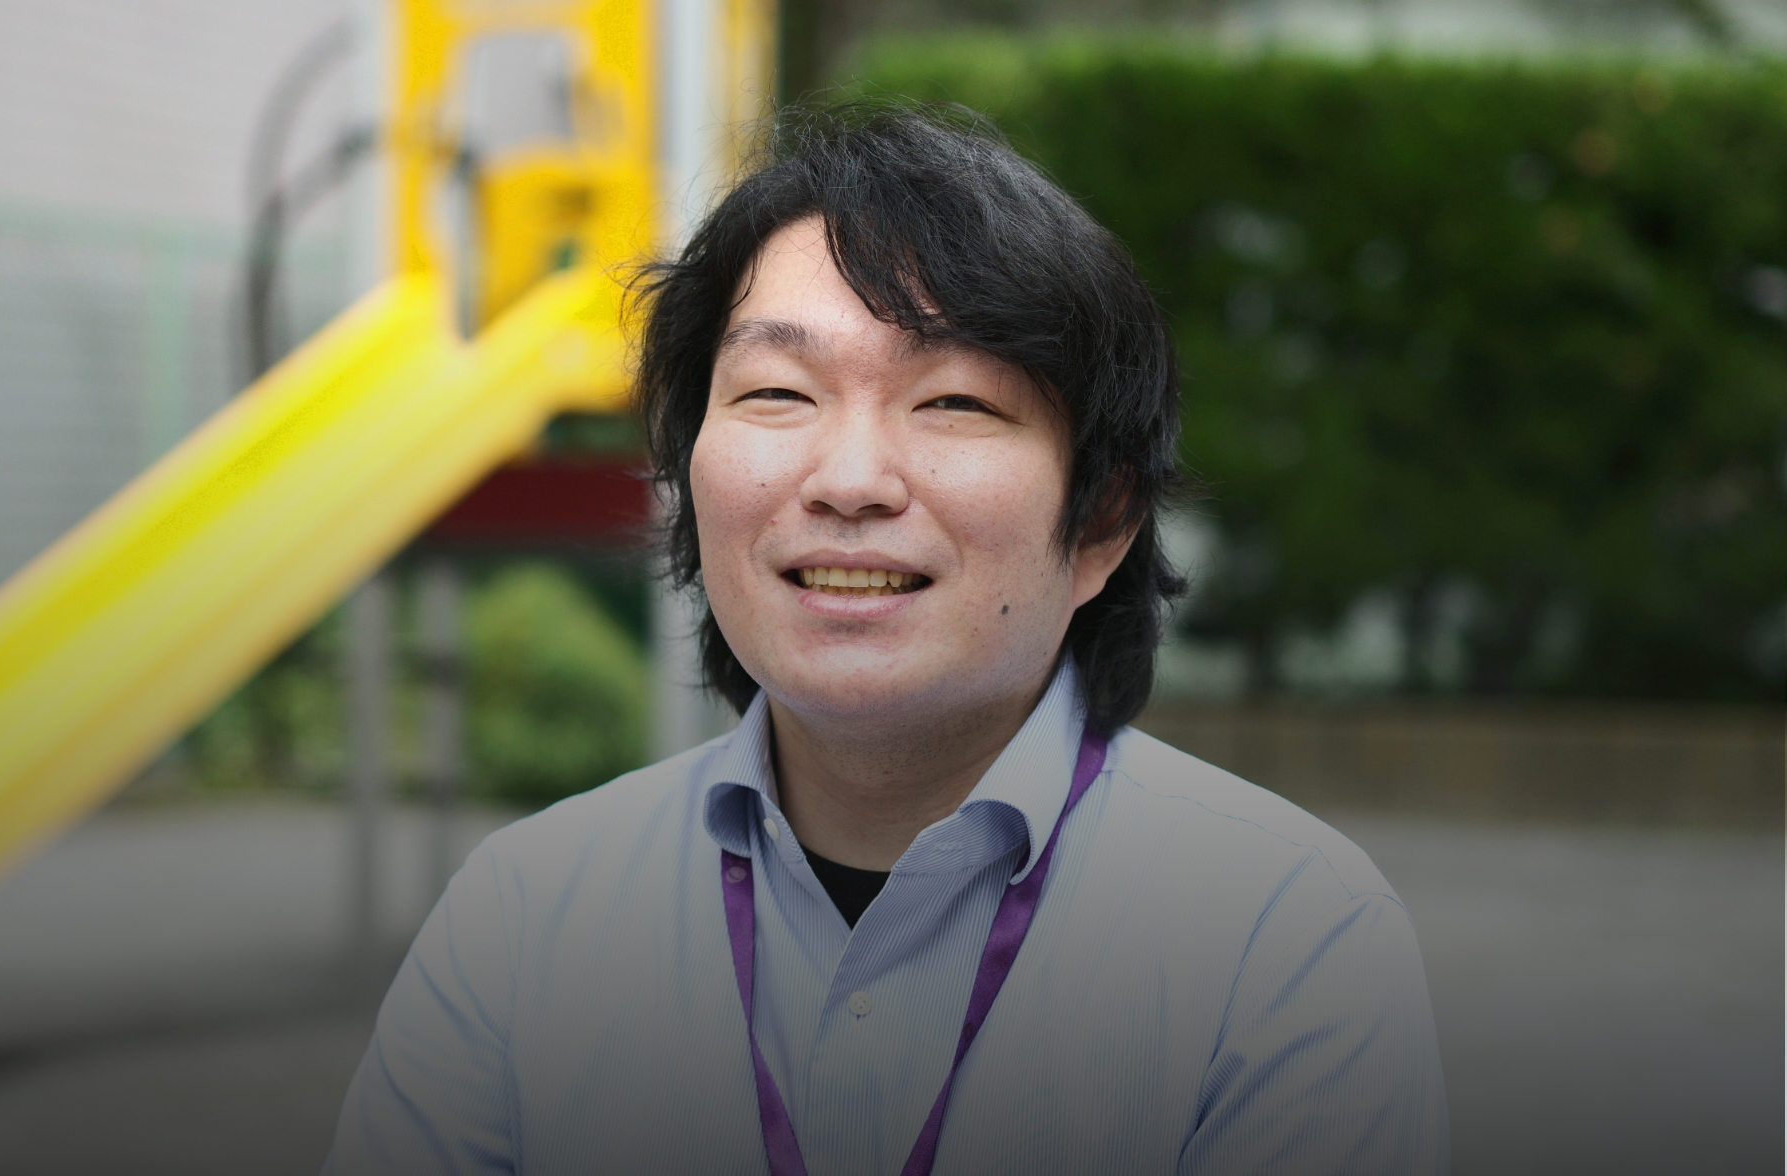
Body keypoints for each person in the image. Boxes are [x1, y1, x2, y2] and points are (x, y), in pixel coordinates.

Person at [323, 103, 1447, 1175]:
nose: (849, 479)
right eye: (777, 392)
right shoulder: (524, 915)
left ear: (1102, 520)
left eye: (953, 402)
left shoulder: (1284, 941)